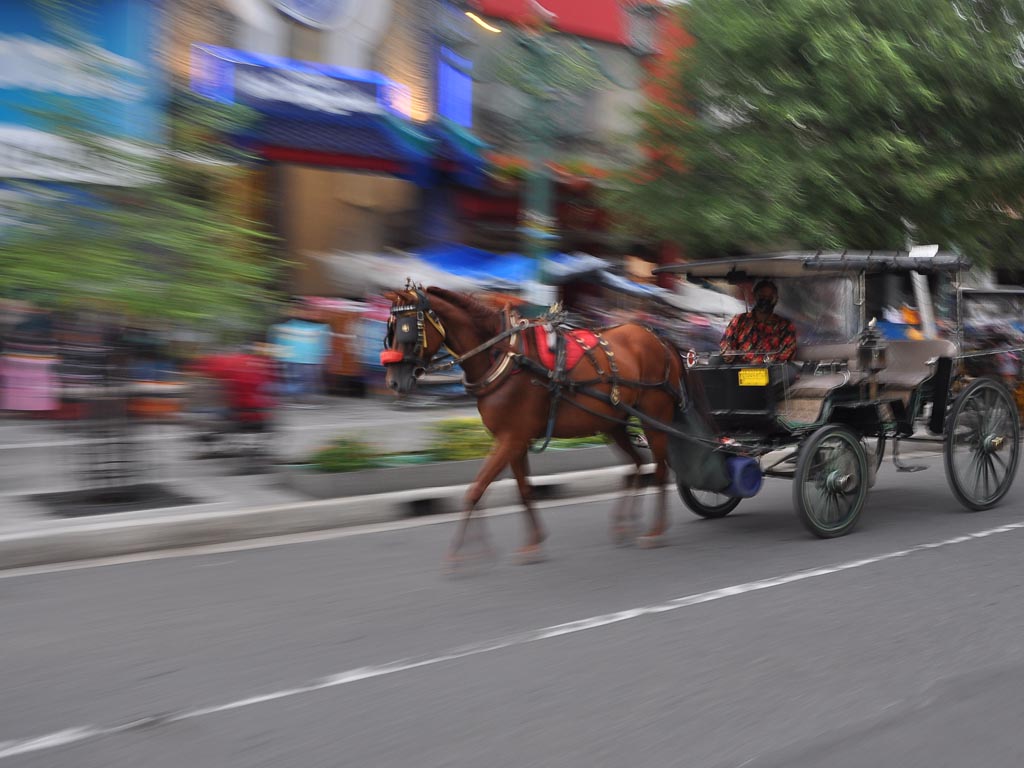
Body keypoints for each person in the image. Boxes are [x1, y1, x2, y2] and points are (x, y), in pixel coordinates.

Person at [720, 279, 798, 364]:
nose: (765, 300)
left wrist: (762, 362)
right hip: (741, 370)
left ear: (776, 299)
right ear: (754, 296)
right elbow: (726, 344)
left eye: (769, 297)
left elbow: (788, 352)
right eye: (762, 296)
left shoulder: (785, 326)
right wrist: (728, 354)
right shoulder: (739, 321)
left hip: (773, 371)